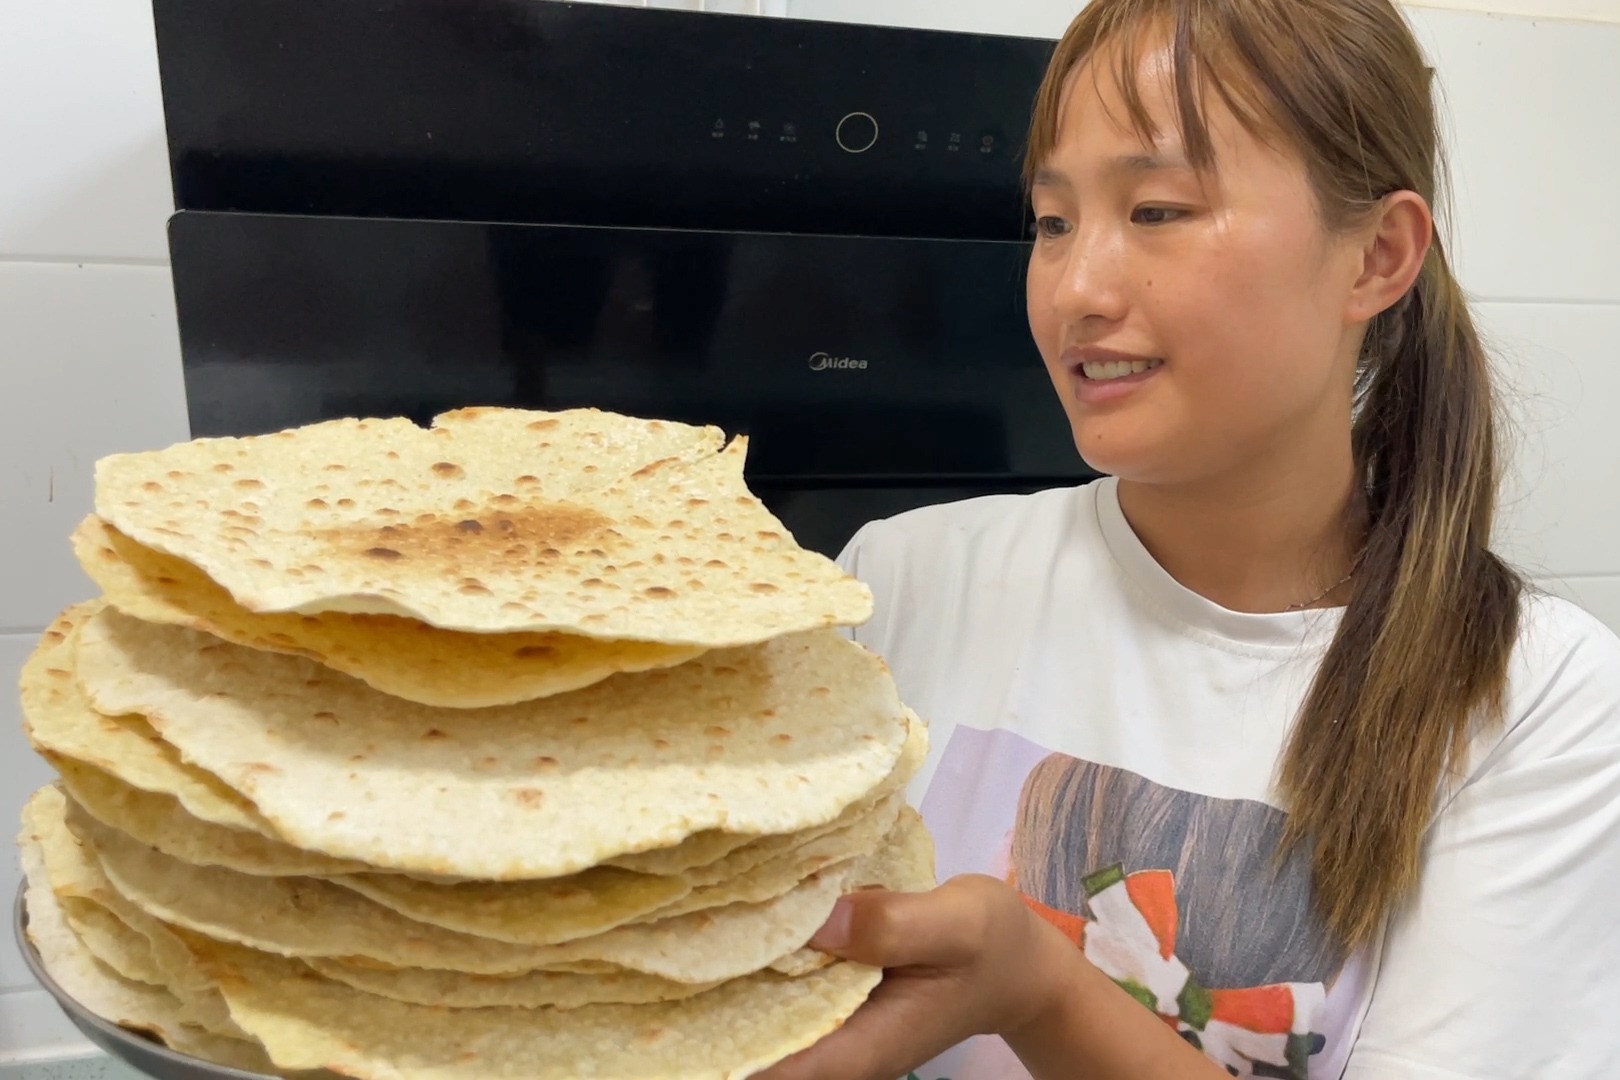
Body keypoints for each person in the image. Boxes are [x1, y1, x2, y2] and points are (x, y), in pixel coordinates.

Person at [756, 0, 1620, 1077]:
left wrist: (1041, 992)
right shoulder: (900, 582)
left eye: (1158, 210)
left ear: (1375, 257)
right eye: (1054, 220)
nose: (1077, 289)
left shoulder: (1531, 697)